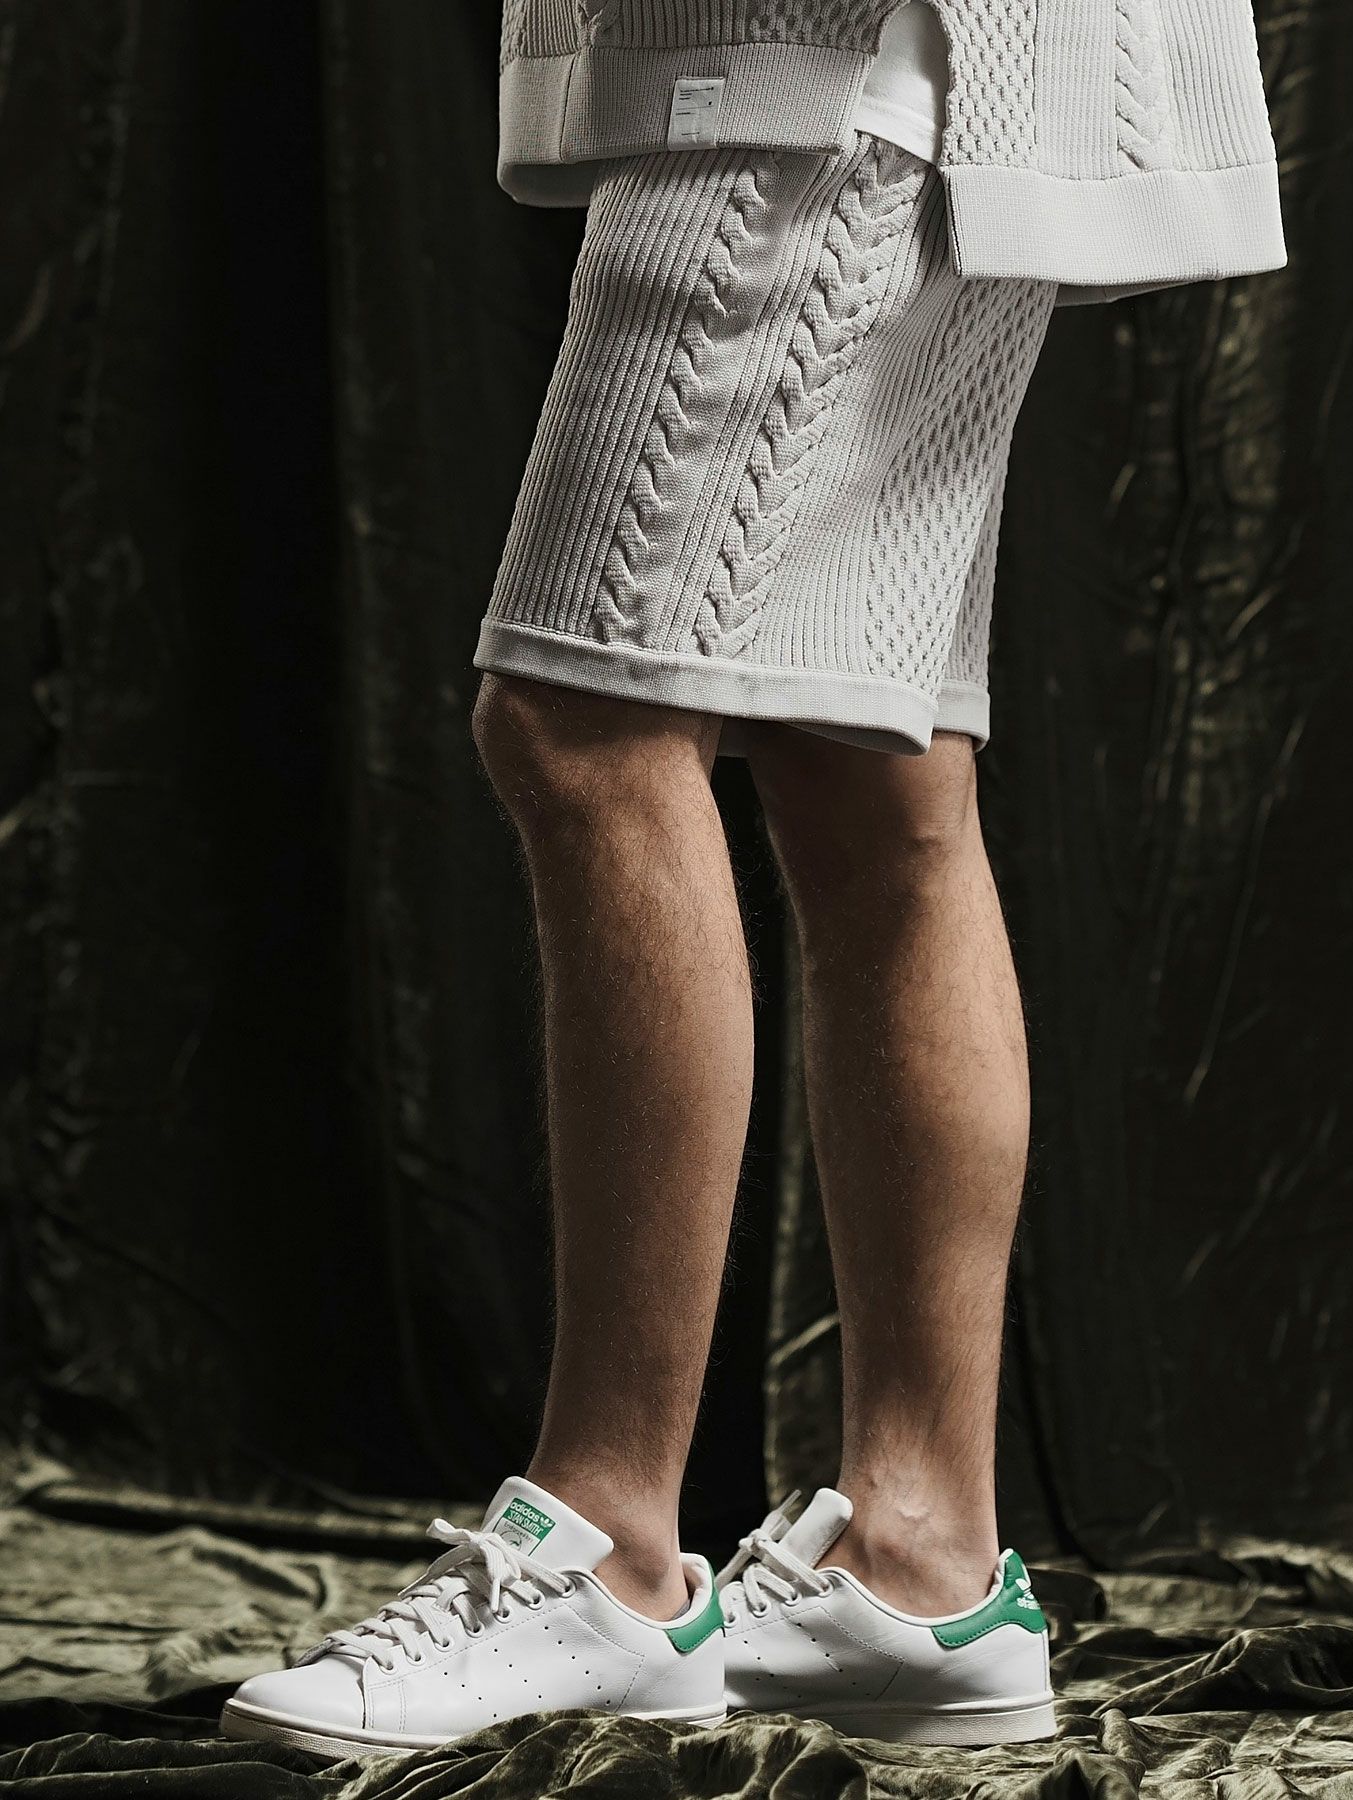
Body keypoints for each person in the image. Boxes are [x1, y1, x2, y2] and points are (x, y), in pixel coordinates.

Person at [222, 0, 1284, 1761]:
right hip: (962, 73)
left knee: (584, 727)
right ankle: (922, 1566)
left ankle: (610, 1549)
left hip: (830, 59)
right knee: (871, 775)